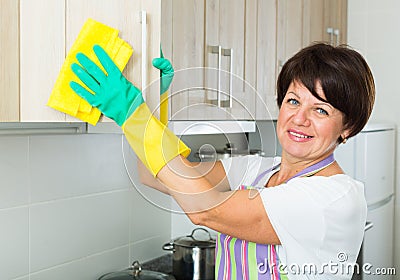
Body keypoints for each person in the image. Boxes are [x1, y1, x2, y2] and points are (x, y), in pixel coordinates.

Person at [70, 42, 375, 279]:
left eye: (320, 110)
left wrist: (132, 115)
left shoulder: (333, 198)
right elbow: (154, 174)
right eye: (293, 101)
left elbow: (207, 209)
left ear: (347, 127)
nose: (300, 118)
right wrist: (152, 107)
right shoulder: (258, 170)